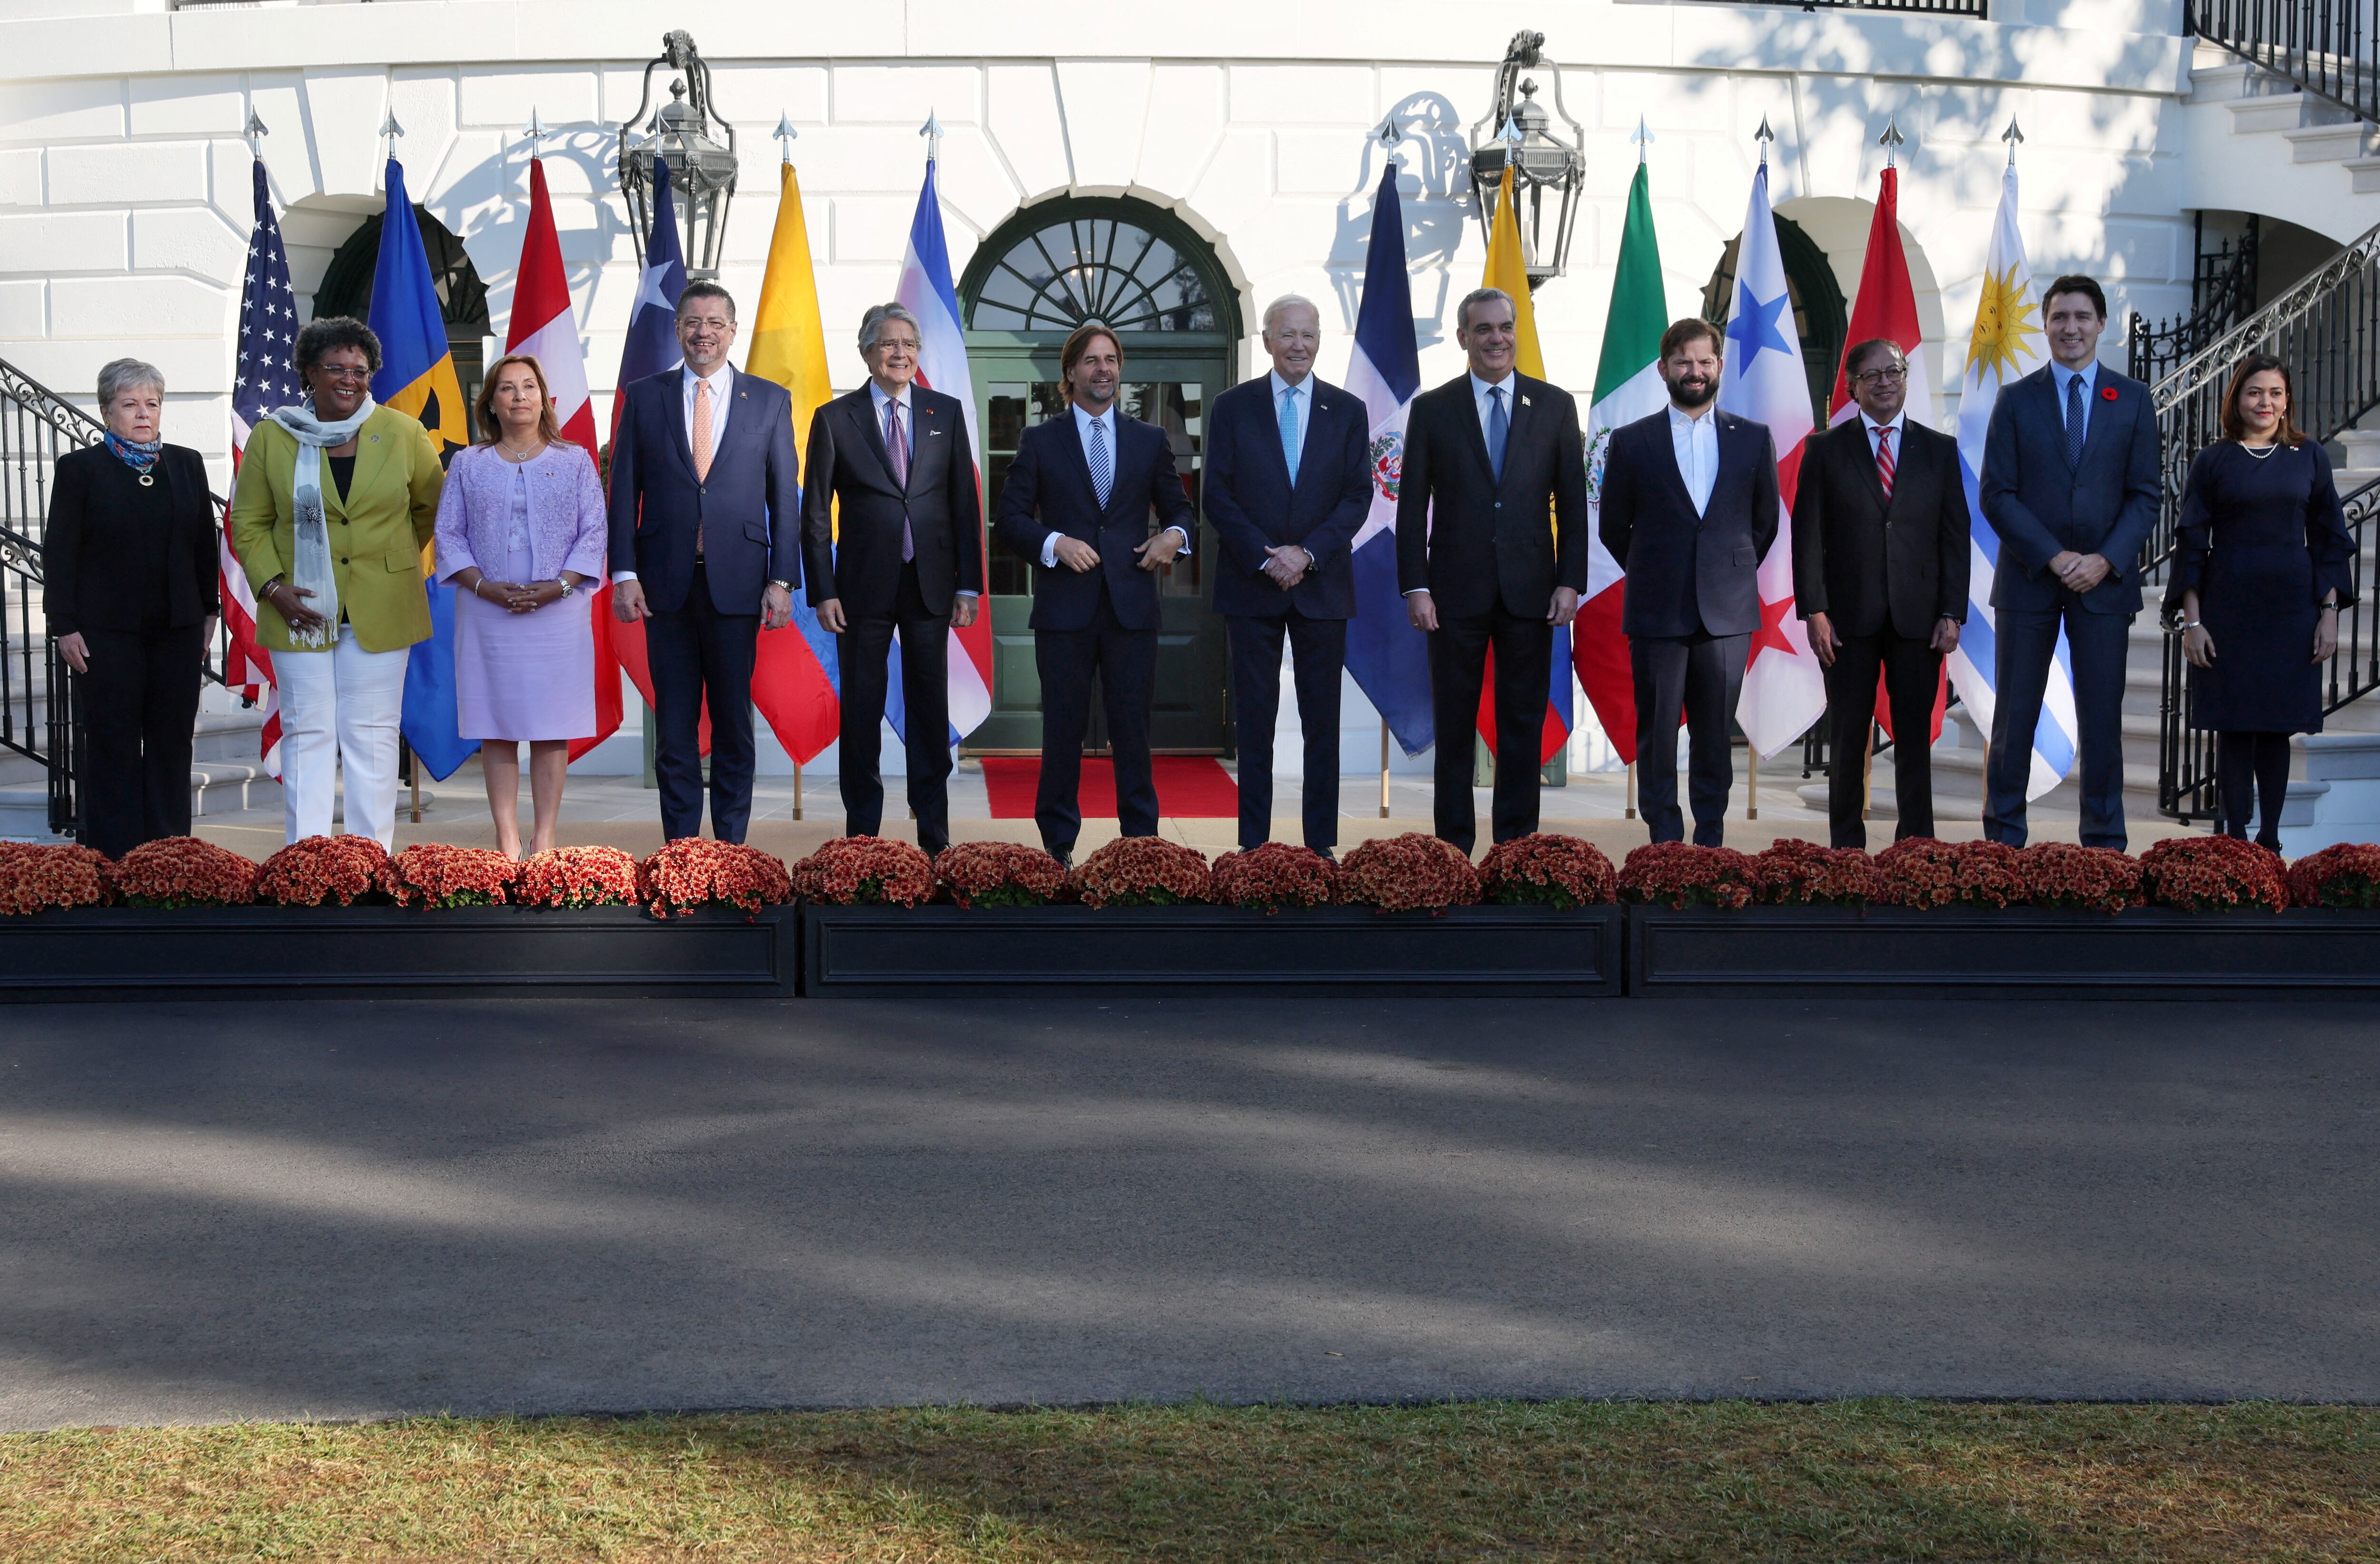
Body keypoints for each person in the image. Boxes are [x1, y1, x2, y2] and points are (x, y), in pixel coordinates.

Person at [229, 317, 444, 849]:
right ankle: (310, 861)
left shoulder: (403, 432)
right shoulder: (272, 436)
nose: (350, 379)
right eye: (336, 368)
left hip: (382, 605)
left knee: (371, 738)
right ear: (309, 372)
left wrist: (385, 563)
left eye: (360, 370)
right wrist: (274, 588)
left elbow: (430, 509)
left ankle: (371, 862)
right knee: (308, 733)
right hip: (295, 606)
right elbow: (247, 521)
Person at [992, 322, 1195, 867]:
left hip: (1131, 607)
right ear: (1070, 373)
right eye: (1090, 361)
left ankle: (1141, 849)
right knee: (1063, 732)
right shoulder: (1040, 440)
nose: (1102, 369)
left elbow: (1179, 510)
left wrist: (1173, 538)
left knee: (1133, 731)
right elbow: (1008, 521)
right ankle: (1057, 848)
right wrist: (1054, 542)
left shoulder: (1149, 439)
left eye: (1110, 360)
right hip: (1065, 612)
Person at [606, 281, 802, 844]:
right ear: (677, 330)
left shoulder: (767, 399)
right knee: (674, 729)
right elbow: (624, 490)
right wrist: (624, 573)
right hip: (663, 585)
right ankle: (682, 850)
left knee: (734, 726)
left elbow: (782, 498)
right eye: (693, 321)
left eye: (715, 322)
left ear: (732, 331)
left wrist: (782, 580)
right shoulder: (645, 397)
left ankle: (732, 849)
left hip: (738, 585)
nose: (703, 333)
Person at [1396, 287, 1589, 854]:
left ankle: (1515, 846)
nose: (1496, 338)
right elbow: (1411, 508)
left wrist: (1570, 580)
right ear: (1463, 338)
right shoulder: (1433, 409)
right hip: (1451, 593)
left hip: (1532, 592)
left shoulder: (1554, 406)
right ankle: (1452, 848)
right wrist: (1416, 585)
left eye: (1504, 327)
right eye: (1483, 329)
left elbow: (1572, 504)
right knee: (1453, 727)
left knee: (1521, 725)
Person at [1981, 273, 2161, 850]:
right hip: (2030, 580)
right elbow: (1996, 494)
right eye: (2059, 317)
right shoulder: (2016, 399)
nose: (2070, 328)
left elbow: (2145, 494)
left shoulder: (2131, 400)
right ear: (2046, 324)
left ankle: (2104, 844)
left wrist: (2105, 560)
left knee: (2102, 721)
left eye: (2081, 317)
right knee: (2014, 718)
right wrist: (2055, 557)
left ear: (2100, 324)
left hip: (2103, 586)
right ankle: (2003, 842)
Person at [803, 302, 983, 855]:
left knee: (929, 712)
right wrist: (822, 590)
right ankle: (863, 841)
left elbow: (963, 504)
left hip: (930, 583)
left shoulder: (943, 413)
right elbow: (813, 512)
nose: (900, 353)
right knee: (860, 711)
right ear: (866, 353)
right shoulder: (836, 418)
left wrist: (968, 584)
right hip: (859, 587)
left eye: (908, 343)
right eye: (888, 343)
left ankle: (934, 840)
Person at [1597, 318, 1778, 847]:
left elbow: (1763, 523)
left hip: (1727, 613)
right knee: (1655, 733)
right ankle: (1664, 842)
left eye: (1703, 362)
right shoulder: (1631, 442)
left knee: (1713, 735)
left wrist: (1725, 571)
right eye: (1682, 363)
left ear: (1718, 367)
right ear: (1663, 370)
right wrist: (1658, 570)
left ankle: (1710, 842)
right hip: (1657, 610)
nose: (1693, 372)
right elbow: (1613, 526)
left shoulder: (1751, 438)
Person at [1202, 294, 1372, 857]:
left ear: (1318, 340)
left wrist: (1306, 553)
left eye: (1308, 334)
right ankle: (1253, 850)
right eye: (1288, 334)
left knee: (1321, 729)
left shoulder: (1346, 410)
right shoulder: (1232, 406)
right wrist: (1266, 555)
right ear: (1269, 340)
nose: (1299, 344)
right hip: (1252, 587)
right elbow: (1217, 495)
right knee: (1254, 727)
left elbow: (1357, 496)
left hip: (1321, 587)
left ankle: (1319, 848)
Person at [2164, 353, 2354, 849]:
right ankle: (2233, 838)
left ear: (2286, 400)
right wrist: (2192, 622)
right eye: (2254, 392)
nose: (2264, 402)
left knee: (2274, 727)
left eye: (2273, 393)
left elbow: (2330, 537)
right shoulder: (2212, 460)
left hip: (2291, 610)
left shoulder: (2308, 456)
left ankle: (2269, 842)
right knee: (2234, 726)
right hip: (2226, 609)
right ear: (2237, 399)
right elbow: (2190, 541)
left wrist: (2328, 614)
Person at [1792, 338, 1971, 848]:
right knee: (1848, 739)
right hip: (1846, 620)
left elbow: (1954, 537)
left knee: (1914, 739)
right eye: (1870, 376)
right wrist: (1814, 610)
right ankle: (1846, 849)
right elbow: (1807, 539)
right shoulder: (1824, 449)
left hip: (1919, 621)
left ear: (1905, 377)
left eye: (1891, 371)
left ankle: (1916, 849)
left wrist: (1951, 611)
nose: (1883, 382)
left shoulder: (1937, 449)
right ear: (1852, 388)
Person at [432, 354, 607, 859]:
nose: (519, 396)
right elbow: (448, 533)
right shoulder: (468, 463)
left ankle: (545, 836)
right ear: (490, 402)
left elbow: (594, 531)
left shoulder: (574, 460)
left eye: (528, 386)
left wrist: (561, 585)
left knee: (552, 725)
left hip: (559, 609)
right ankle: (507, 836)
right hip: (487, 608)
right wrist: (484, 586)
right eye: (507, 388)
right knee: (497, 722)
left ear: (544, 399)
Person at [43, 358, 218, 858]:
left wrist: (210, 612)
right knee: (112, 745)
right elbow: (61, 552)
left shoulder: (186, 464)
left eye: (152, 404)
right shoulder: (80, 470)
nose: (143, 414)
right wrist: (64, 625)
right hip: (104, 632)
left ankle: (167, 856)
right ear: (106, 411)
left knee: (170, 744)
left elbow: (204, 545)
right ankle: (113, 858)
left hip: (178, 629)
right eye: (130, 404)